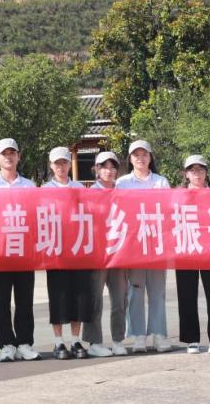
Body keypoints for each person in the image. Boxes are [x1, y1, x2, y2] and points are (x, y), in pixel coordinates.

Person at [0, 138, 41, 362]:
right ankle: (6, 344)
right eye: (4, 153)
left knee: (25, 300)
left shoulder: (29, 186)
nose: (8, 157)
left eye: (12, 153)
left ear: (18, 156)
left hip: (24, 251)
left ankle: (25, 343)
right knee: (2, 301)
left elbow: (36, 216)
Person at [115, 140, 171, 353]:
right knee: (135, 291)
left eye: (144, 154)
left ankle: (158, 334)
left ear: (150, 157)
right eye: (136, 155)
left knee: (157, 292)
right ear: (130, 159)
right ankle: (138, 335)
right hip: (133, 245)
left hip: (156, 244)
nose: (140, 158)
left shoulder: (161, 182)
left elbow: (168, 210)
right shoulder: (122, 183)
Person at [41, 146, 92, 359]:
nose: (61, 166)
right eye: (57, 163)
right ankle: (58, 341)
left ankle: (75, 339)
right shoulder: (45, 189)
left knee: (79, 296)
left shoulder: (79, 187)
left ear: (69, 164)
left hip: (77, 249)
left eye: (64, 162)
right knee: (58, 296)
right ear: (51, 166)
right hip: (56, 251)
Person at [176, 155, 210, 355]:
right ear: (186, 174)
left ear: (206, 172)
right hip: (186, 248)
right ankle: (191, 339)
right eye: (192, 169)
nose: (197, 173)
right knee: (186, 295)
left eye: (200, 169)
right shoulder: (177, 195)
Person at [82, 151, 128, 357]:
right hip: (97, 254)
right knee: (95, 299)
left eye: (112, 167)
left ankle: (118, 340)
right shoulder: (90, 193)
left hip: (118, 253)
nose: (109, 171)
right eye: (104, 167)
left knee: (120, 300)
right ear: (96, 170)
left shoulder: (123, 192)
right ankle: (94, 342)